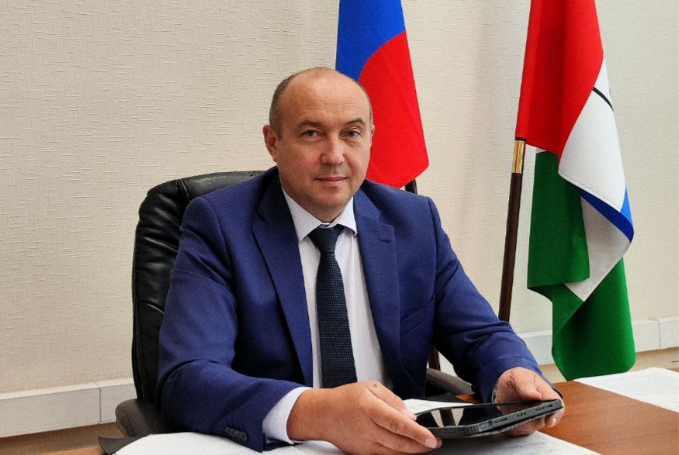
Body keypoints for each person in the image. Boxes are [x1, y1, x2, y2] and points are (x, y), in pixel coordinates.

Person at [156, 67, 564, 454]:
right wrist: (318, 413)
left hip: (401, 445)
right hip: (287, 447)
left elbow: (479, 333)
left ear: (370, 137)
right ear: (273, 142)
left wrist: (509, 374)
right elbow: (186, 377)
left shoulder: (412, 221)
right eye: (312, 134)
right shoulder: (220, 225)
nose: (334, 155)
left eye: (351, 133)